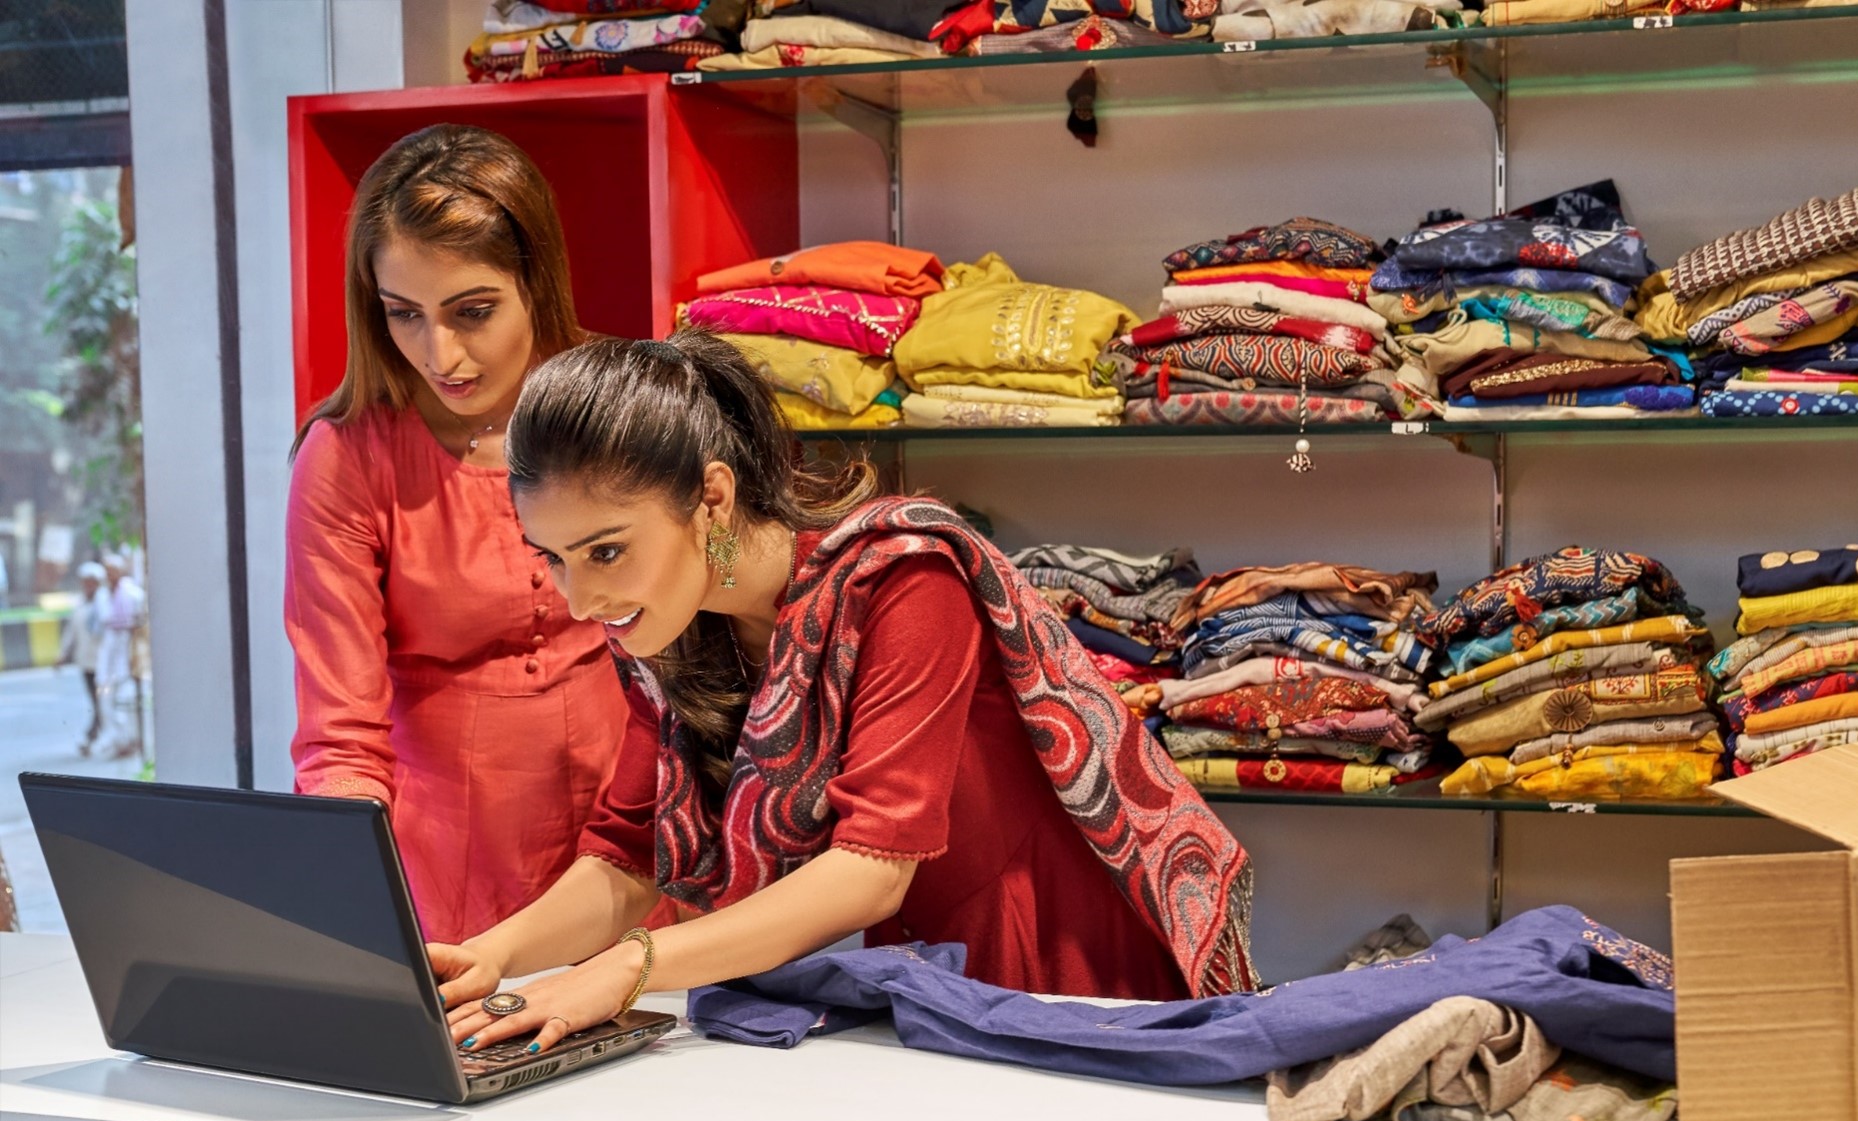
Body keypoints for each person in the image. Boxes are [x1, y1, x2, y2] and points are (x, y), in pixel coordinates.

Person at [433, 332, 1257, 1056]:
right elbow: (629, 854)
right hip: (880, 987)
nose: (578, 599)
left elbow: (871, 870)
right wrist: (493, 956)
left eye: (605, 552)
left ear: (712, 496)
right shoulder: (673, 633)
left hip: (1036, 973)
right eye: (551, 558)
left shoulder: (901, 582)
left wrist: (627, 965)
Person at [285, 124, 633, 945]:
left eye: (472, 312)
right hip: (452, 860)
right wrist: (346, 895)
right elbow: (338, 734)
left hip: (639, 830)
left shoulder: (619, 408)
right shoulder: (346, 457)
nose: (440, 353)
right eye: (403, 314)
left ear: (536, 281)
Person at [95, 552, 145, 758]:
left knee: (126, 698)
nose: (110, 575)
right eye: (107, 571)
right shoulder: (102, 594)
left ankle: (128, 739)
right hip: (109, 650)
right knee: (105, 695)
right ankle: (115, 739)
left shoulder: (133, 593)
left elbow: (140, 619)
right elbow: (103, 620)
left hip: (127, 648)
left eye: (113, 571)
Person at [58, 561, 106, 755]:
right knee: (96, 702)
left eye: (91, 582)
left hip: (104, 662)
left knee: (102, 702)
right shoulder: (79, 604)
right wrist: (62, 654)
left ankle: (92, 737)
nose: (88, 586)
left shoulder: (105, 603)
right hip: (86, 662)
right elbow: (71, 632)